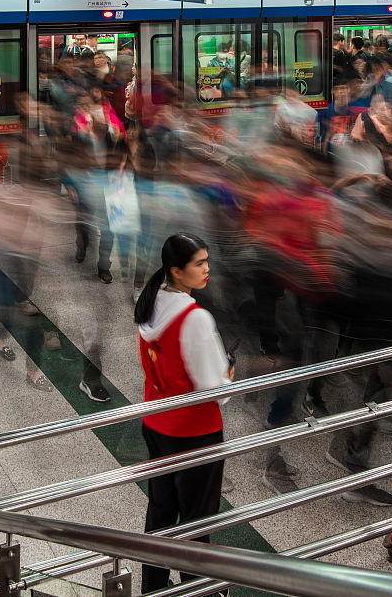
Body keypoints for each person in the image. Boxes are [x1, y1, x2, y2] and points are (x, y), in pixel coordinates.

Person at [135, 233, 234, 593]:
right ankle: (196, 586)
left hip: (156, 422)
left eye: (207, 260)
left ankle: (154, 584)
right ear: (176, 271)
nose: (208, 269)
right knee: (197, 517)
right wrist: (228, 375)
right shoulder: (195, 318)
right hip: (195, 432)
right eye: (199, 263)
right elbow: (215, 391)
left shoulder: (149, 303)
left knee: (161, 510)